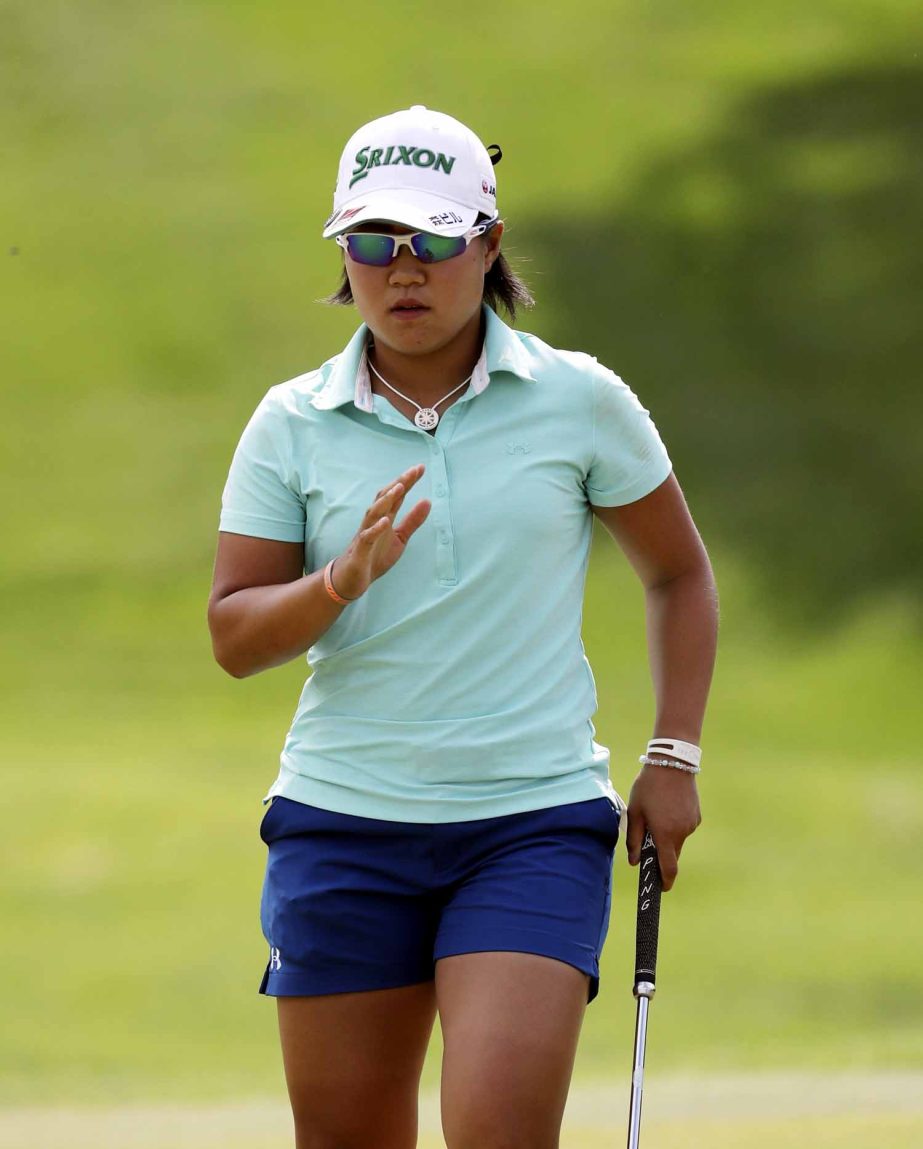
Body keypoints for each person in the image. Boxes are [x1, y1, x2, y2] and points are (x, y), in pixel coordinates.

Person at [208, 105, 718, 1149]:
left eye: (435, 241)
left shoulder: (577, 401)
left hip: (530, 823)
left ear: (485, 245)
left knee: (497, 1130)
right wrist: (336, 583)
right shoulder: (290, 422)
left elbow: (676, 573)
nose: (403, 270)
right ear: (342, 253)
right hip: (341, 824)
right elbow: (234, 637)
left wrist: (672, 754)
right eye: (371, 243)